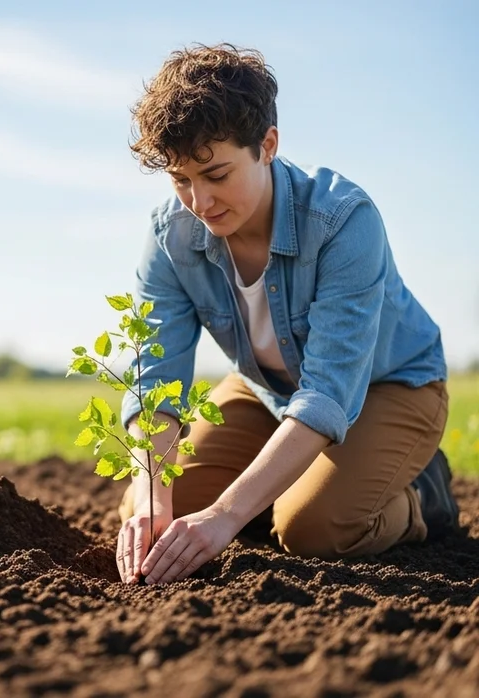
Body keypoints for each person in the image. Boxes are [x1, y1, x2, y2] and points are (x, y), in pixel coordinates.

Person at [114, 43, 458, 586]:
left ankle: (421, 496)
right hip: (266, 389)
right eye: (181, 180)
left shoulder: (342, 220)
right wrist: (153, 497)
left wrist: (226, 515)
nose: (200, 202)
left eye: (217, 174)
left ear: (267, 146)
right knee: (155, 507)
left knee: (311, 528)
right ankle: (270, 487)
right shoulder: (170, 236)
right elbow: (155, 379)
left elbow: (327, 394)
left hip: (389, 387)